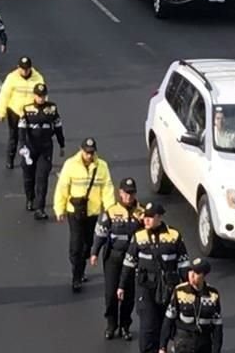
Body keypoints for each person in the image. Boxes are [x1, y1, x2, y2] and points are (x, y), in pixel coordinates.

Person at [119, 202, 190, 353]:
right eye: (145, 217)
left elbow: (184, 264)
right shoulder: (138, 237)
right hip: (146, 289)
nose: (146, 220)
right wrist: (121, 286)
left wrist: (188, 287)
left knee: (166, 325)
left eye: (151, 217)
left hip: (168, 288)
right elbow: (128, 263)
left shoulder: (174, 236)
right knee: (148, 327)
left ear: (159, 217)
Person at [54, 137, 115, 292]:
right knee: (76, 245)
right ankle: (77, 276)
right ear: (81, 150)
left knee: (87, 244)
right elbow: (62, 188)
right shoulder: (70, 165)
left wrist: (111, 211)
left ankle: (80, 267)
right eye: (87, 152)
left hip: (92, 213)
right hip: (74, 212)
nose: (89, 155)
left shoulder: (101, 166)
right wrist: (59, 209)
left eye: (92, 153)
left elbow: (107, 189)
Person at [91, 177, 143, 341]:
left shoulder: (141, 214)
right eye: (126, 193)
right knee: (111, 293)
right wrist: (94, 252)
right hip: (113, 257)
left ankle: (125, 326)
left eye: (132, 193)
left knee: (128, 295)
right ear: (120, 193)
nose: (129, 196)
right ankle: (111, 325)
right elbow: (100, 234)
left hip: (133, 259)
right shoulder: (111, 212)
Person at [18, 83, 65, 220]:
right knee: (28, 175)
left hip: (45, 148)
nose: (41, 98)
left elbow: (58, 127)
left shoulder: (52, 109)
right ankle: (30, 198)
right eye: (39, 96)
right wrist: (22, 146)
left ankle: (40, 208)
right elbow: (21, 129)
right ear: (34, 96)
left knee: (42, 177)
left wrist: (62, 144)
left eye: (43, 96)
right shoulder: (27, 110)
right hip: (30, 147)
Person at [160, 257, 223, 353]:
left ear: (204, 275)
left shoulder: (213, 295)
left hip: (203, 342)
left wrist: (216, 350)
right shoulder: (180, 291)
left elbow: (217, 326)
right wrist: (162, 347)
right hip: (183, 341)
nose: (192, 275)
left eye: (197, 273)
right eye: (190, 271)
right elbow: (169, 319)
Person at [0, 57, 45, 169]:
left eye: (27, 69)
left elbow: (42, 95)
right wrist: (1, 111)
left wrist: (42, 112)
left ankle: (28, 158)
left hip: (30, 113)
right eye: (22, 69)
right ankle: (10, 158)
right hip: (14, 111)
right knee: (14, 136)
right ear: (18, 68)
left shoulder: (38, 78)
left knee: (30, 137)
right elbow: (4, 95)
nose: (25, 71)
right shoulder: (12, 78)